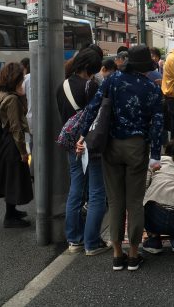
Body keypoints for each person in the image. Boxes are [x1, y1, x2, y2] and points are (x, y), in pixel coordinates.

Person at [77, 45, 164, 272]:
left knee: (115, 201)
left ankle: (117, 255)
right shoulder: (152, 88)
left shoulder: (112, 80)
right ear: (146, 66)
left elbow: (93, 108)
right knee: (135, 203)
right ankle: (134, 255)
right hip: (137, 147)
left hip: (111, 146)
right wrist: (155, 155)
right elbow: (157, 124)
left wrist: (82, 134)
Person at [56, 48, 109, 256]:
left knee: (76, 189)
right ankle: (92, 243)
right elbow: (99, 116)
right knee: (97, 191)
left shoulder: (62, 86)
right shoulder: (91, 85)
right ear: (89, 68)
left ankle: (74, 240)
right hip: (90, 143)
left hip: (71, 144)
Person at [0, 62, 33, 228]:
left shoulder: (2, 93)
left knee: (9, 177)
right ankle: (10, 217)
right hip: (11, 143)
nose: (24, 79)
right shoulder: (12, 99)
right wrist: (23, 151)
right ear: (16, 78)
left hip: (4, 143)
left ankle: (12, 212)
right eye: (22, 76)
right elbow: (16, 127)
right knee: (14, 178)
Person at [142, 139, 174, 254]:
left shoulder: (155, 161)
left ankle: (154, 240)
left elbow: (143, 186)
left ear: (166, 150)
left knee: (144, 201)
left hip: (153, 216)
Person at [20, 57, 33, 155]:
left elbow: (21, 93)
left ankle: (34, 167)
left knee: (31, 141)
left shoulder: (26, 78)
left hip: (30, 118)